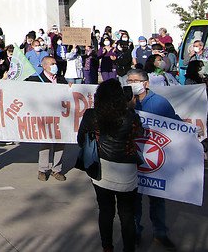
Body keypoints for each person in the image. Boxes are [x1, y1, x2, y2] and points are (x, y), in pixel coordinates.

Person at [78, 79, 145, 252]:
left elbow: (80, 140)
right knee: (127, 214)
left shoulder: (91, 115)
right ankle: (129, 249)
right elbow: (140, 133)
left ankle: (107, 247)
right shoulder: (130, 116)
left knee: (106, 211)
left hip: (102, 169)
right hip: (127, 171)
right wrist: (131, 106)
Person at [126, 69, 178, 251]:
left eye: (135, 80)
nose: (132, 83)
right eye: (129, 80)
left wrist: (190, 131)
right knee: (134, 200)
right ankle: (135, 233)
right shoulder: (125, 102)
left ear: (146, 83)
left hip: (155, 162)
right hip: (132, 161)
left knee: (157, 199)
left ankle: (160, 233)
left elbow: (176, 125)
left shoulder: (160, 103)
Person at [29, 57, 68, 181]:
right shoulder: (35, 80)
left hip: (60, 117)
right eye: (52, 64)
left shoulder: (61, 80)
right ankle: (43, 169)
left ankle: (56, 169)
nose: (55, 66)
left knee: (60, 144)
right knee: (45, 144)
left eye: (55, 64)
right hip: (45, 117)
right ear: (45, 66)